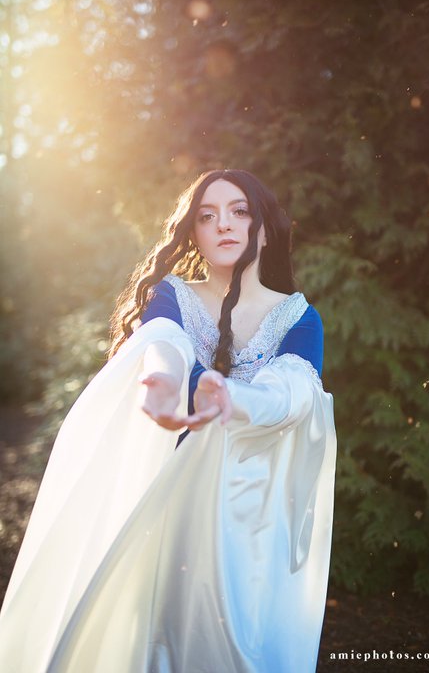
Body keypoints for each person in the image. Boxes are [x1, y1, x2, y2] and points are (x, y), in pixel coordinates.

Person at [0, 169, 336, 672]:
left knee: (231, 641)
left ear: (265, 228)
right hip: (166, 485)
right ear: (193, 233)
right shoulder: (172, 295)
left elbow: (292, 395)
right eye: (207, 216)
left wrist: (230, 397)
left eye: (239, 211)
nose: (224, 224)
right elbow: (164, 342)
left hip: (248, 507)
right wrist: (159, 380)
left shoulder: (299, 318)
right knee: (149, 628)